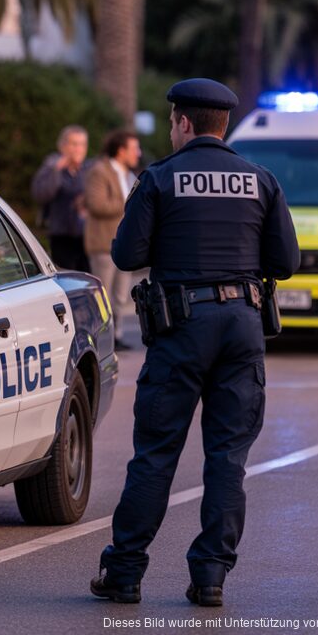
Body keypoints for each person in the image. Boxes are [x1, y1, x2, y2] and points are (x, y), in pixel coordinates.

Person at [91, 79, 300, 606]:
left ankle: (124, 573)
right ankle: (210, 577)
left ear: (184, 122)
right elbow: (286, 263)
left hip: (181, 328)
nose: (171, 131)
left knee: (156, 455)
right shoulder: (260, 179)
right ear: (222, 125)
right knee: (227, 459)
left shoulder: (161, 178)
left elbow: (126, 255)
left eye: (171, 123)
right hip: (243, 326)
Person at [84, 130, 142, 350]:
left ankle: (115, 336)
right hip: (103, 245)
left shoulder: (129, 174)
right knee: (103, 295)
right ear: (121, 151)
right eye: (134, 148)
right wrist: (129, 202)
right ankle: (102, 339)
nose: (138, 153)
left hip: (123, 244)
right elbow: (97, 204)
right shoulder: (100, 171)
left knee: (120, 296)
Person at [32, 125, 91, 272]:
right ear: (62, 146)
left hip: (86, 236)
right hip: (61, 236)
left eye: (82, 144)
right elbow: (40, 194)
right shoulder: (51, 166)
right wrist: (56, 170)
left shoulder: (87, 170)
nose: (79, 149)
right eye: (74, 144)